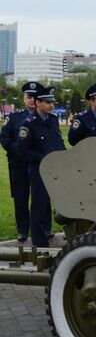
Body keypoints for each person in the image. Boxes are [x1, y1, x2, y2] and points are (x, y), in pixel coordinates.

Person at [16, 86, 66, 247]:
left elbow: (58, 142)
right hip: (39, 172)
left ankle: (62, 234)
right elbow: (23, 151)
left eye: (52, 102)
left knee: (63, 204)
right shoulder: (28, 124)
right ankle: (40, 245)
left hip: (57, 171)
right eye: (47, 102)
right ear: (37, 103)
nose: (51, 105)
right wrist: (45, 159)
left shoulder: (53, 120)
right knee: (39, 207)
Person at [0, 81, 43, 242]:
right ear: (24, 99)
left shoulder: (45, 118)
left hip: (38, 164)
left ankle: (43, 228)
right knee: (20, 198)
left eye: (34, 97)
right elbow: (4, 138)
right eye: (28, 96)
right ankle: (23, 230)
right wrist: (18, 151)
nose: (32, 100)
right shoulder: (14, 117)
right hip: (19, 164)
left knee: (41, 198)